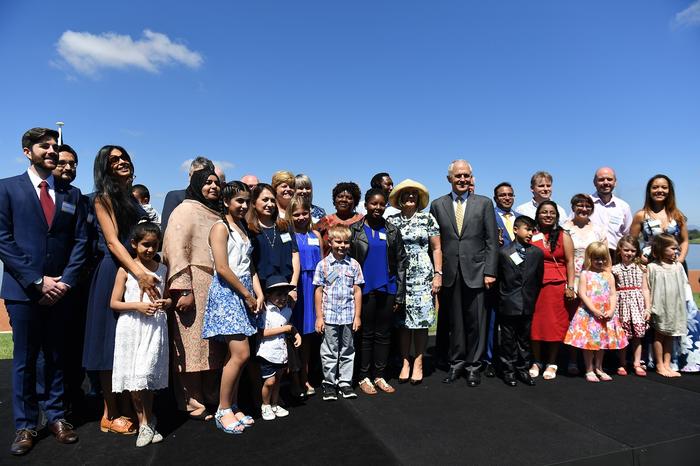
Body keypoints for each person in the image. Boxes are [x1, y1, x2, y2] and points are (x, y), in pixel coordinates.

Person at [0, 128, 87, 455]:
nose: (52, 151)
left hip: (61, 290)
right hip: (24, 291)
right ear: (27, 151)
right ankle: (24, 424)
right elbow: (3, 240)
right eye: (45, 146)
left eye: (55, 146)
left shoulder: (71, 194)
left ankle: (56, 416)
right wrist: (37, 280)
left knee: (55, 356)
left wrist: (65, 280)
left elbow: (79, 241)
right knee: (24, 358)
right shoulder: (6, 189)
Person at [83, 145, 157, 436]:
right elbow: (114, 243)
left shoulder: (132, 200)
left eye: (123, 156)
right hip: (114, 272)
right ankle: (109, 413)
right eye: (113, 160)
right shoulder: (103, 198)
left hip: (136, 272)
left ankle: (131, 407)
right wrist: (138, 272)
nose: (121, 161)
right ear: (105, 167)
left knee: (131, 341)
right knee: (108, 345)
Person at [162, 169, 226, 420]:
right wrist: (183, 289)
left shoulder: (216, 213)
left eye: (216, 183)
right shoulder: (185, 210)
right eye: (207, 182)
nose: (213, 186)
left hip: (215, 284)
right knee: (190, 346)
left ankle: (211, 395)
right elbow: (175, 249)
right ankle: (192, 402)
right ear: (196, 184)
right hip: (193, 283)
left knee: (211, 346)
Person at [429, 160, 498, 387]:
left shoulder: (484, 204)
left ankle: (473, 367)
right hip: (450, 272)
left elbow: (491, 241)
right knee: (455, 322)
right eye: (458, 176)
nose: (462, 180)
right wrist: (436, 272)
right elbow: (434, 244)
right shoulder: (438, 205)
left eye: (466, 176)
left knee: (476, 322)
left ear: (471, 178)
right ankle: (456, 363)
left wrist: (490, 271)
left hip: (477, 272)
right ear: (449, 178)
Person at [202, 181, 262, 434]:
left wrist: (257, 293)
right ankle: (223, 409)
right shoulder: (220, 227)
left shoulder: (243, 228)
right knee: (241, 354)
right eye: (239, 200)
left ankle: (233, 404)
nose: (244, 205)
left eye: (247, 201)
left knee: (235, 356)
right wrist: (247, 294)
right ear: (226, 202)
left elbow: (249, 267)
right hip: (229, 293)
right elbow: (223, 268)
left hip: (245, 291)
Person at [109, 222, 170, 447]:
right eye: (145, 245)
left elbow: (169, 297)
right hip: (131, 327)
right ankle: (144, 422)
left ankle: (148, 420)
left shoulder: (162, 268)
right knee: (134, 378)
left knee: (146, 374)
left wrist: (167, 302)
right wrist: (137, 306)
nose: (150, 250)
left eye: (154, 246)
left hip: (154, 327)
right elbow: (114, 303)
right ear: (134, 244)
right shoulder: (125, 269)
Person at [350, 188, 407, 395]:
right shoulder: (354, 230)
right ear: (365, 205)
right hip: (364, 290)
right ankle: (364, 376)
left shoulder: (392, 230)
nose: (378, 208)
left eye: (382, 204)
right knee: (365, 334)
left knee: (384, 334)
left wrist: (399, 293)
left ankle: (379, 375)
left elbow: (401, 262)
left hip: (388, 288)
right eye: (374, 203)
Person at [387, 179, 442, 385]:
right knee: (402, 322)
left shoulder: (428, 219)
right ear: (399, 199)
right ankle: (405, 362)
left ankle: (418, 361)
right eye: (406, 194)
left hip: (422, 274)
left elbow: (436, 248)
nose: (410, 197)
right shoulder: (392, 221)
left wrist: (438, 274)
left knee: (420, 323)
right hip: (401, 275)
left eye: (413, 194)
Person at [313, 225, 364, 401]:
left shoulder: (354, 265)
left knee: (348, 349)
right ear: (330, 242)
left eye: (346, 242)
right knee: (329, 350)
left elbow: (357, 290)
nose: (342, 245)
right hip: (329, 316)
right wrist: (319, 317)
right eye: (338, 241)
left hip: (349, 315)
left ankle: (345, 383)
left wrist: (357, 316)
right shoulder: (323, 265)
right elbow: (319, 291)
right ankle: (329, 383)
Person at [564, 242, 628, 382]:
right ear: (590, 258)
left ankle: (599, 367)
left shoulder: (609, 275)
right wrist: (593, 309)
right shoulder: (585, 274)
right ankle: (589, 369)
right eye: (596, 258)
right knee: (589, 343)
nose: (600, 262)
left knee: (601, 343)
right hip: (588, 313)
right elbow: (582, 293)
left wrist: (611, 310)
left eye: (603, 258)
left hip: (605, 314)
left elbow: (612, 294)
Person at [529, 201, 576, 381]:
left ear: (556, 216)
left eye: (551, 213)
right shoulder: (532, 234)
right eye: (544, 212)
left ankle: (552, 362)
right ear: (538, 215)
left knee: (555, 324)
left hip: (557, 286)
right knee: (536, 324)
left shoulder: (564, 236)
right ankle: (536, 361)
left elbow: (570, 262)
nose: (548, 215)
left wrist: (570, 286)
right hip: (535, 286)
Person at [496, 215, 543, 387]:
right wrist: (503, 298)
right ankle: (508, 371)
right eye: (527, 229)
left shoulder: (537, 253)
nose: (530, 233)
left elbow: (538, 279)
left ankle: (523, 370)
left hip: (527, 304)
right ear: (516, 230)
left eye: (532, 230)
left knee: (524, 340)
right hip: (509, 304)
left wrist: (531, 298)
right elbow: (499, 279)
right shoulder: (504, 253)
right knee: (508, 340)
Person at [286, 195, 323, 397]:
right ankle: (294, 378)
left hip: (314, 288)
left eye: (304, 213)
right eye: (296, 214)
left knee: (308, 337)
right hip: (297, 287)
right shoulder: (287, 235)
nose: (301, 217)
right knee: (294, 334)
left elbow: (324, 263)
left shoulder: (316, 235)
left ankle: (305, 377)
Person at [647, 234, 699, 376]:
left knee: (671, 335)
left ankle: (667, 363)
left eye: (677, 248)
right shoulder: (653, 267)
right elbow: (649, 288)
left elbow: (684, 285)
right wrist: (649, 307)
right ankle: (659, 364)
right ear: (661, 249)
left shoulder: (678, 267)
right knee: (659, 335)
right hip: (660, 307)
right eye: (672, 248)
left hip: (675, 307)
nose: (676, 251)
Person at [256, 276, 301, 421]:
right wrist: (286, 329)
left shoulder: (287, 311)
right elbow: (262, 333)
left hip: (281, 353)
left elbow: (290, 326)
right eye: (278, 295)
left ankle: (275, 404)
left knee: (277, 381)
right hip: (267, 353)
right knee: (269, 382)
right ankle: (265, 405)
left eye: (285, 294)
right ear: (268, 295)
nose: (283, 298)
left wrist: (296, 333)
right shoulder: (265, 311)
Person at [247, 183, 300, 292]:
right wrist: (259, 293)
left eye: (272, 200)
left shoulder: (285, 227)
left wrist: (293, 286)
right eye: (265, 200)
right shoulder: (249, 230)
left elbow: (295, 254)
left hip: (286, 289)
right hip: (261, 290)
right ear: (253, 203)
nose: (270, 204)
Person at [630, 174, 689, 268]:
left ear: (669, 191)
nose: (660, 190)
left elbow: (684, 241)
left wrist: (680, 260)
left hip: (676, 264)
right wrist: (639, 257)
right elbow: (632, 242)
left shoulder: (678, 215)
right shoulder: (641, 215)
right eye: (655, 187)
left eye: (664, 187)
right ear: (649, 191)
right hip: (649, 264)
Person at [612, 235, 651, 376]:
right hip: (622, 305)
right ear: (620, 251)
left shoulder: (641, 268)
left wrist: (647, 308)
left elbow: (645, 289)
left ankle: (636, 363)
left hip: (637, 304)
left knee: (638, 336)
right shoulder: (614, 269)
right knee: (624, 335)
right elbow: (613, 290)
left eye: (633, 251)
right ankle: (622, 363)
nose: (629, 253)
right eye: (626, 250)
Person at [161, 157, 215, 234]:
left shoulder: (215, 201)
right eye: (197, 175)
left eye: (205, 176)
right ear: (190, 176)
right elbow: (167, 230)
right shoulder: (176, 197)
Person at [589, 167, 633, 259]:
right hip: (590, 256)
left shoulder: (624, 207)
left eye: (609, 179)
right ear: (594, 182)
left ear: (615, 182)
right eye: (601, 180)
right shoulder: (585, 204)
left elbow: (628, 235)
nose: (606, 183)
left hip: (615, 257)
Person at [314, 182, 364, 256]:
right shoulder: (325, 222)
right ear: (334, 200)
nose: (344, 200)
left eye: (349, 198)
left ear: (355, 202)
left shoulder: (362, 221)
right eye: (340, 196)